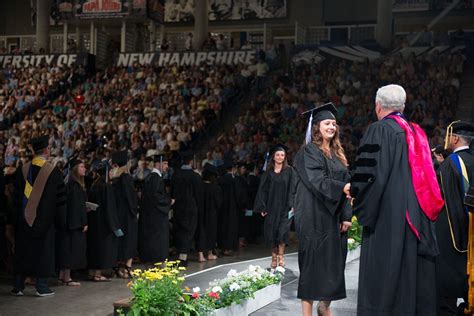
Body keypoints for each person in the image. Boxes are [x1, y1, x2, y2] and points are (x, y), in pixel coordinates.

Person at [348, 84, 444, 315]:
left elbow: (372, 176)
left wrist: (358, 199)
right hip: (416, 216)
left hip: (387, 217)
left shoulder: (379, 130)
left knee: (386, 275)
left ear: (378, 106)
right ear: (402, 106)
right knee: (410, 275)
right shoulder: (416, 132)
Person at [293, 103, 352, 316]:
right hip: (313, 217)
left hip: (333, 217)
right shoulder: (308, 152)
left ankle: (324, 305)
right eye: (327, 123)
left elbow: (347, 184)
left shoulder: (337, 154)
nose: (332, 127)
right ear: (316, 127)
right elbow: (317, 180)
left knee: (334, 268)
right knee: (312, 267)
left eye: (334, 124)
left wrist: (346, 215)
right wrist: (343, 188)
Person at [9, 135, 67, 297]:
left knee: (22, 252)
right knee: (42, 253)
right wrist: (62, 222)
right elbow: (60, 201)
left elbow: (16, 198)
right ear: (47, 150)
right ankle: (41, 287)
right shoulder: (53, 172)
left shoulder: (22, 170)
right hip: (44, 222)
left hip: (23, 221)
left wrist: (16, 221)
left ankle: (18, 286)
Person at [436, 121, 474, 315]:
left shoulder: (450, 163)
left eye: (449, 136)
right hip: (472, 228)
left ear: (456, 138)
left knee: (448, 273)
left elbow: (439, 195)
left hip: (452, 227)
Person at [254, 144, 295, 269]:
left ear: (285, 157)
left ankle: (281, 257)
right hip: (271, 207)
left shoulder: (290, 171)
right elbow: (262, 190)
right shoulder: (268, 173)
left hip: (285, 207)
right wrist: (262, 207)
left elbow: (293, 188)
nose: (280, 157)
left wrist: (292, 205)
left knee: (282, 232)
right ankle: (273, 257)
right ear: (273, 157)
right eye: (277, 155)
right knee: (272, 233)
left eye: (282, 155)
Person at [87, 161, 121, 282]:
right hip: (104, 224)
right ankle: (97, 274)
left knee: (95, 248)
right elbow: (110, 208)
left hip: (94, 222)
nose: (112, 173)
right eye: (111, 171)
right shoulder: (106, 186)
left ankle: (93, 273)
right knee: (102, 249)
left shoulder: (94, 185)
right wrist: (115, 226)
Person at [57, 159, 88, 286]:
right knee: (70, 250)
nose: (84, 168)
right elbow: (76, 207)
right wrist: (83, 222)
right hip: (74, 223)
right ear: (75, 169)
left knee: (67, 249)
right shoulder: (74, 185)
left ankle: (62, 276)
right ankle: (67, 278)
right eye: (81, 166)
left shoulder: (71, 183)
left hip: (69, 222)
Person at [138, 154, 173, 263]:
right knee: (158, 241)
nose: (167, 166)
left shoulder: (149, 177)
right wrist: (169, 201)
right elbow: (157, 197)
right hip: (157, 217)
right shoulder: (156, 178)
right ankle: (159, 262)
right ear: (158, 164)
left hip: (150, 216)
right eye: (165, 163)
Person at [170, 151, 203, 266]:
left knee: (179, 231)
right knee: (188, 232)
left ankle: (180, 254)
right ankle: (183, 257)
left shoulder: (175, 175)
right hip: (191, 209)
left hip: (178, 208)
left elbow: (172, 193)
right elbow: (199, 195)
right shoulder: (195, 177)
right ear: (191, 162)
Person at [111, 150, 138, 278]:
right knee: (130, 240)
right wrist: (135, 211)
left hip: (119, 214)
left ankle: (118, 267)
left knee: (121, 240)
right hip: (128, 214)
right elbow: (130, 197)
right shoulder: (126, 178)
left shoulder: (114, 178)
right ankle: (128, 267)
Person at [196, 163, 222, 262]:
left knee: (200, 232)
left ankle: (200, 255)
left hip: (200, 212)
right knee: (211, 232)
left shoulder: (199, 186)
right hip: (211, 213)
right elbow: (218, 203)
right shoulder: (215, 188)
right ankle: (210, 254)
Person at [217, 160, 241, 255]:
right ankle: (228, 248)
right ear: (233, 169)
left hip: (222, 208)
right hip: (232, 209)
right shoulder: (235, 181)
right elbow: (239, 196)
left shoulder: (220, 180)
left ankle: (221, 247)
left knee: (222, 227)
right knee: (231, 228)